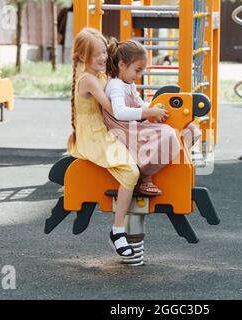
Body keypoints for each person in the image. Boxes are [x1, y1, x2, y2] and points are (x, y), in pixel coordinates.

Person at [67, 28, 139, 258]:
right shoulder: (88, 80)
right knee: (130, 172)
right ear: (81, 57)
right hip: (94, 136)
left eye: (104, 53)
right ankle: (117, 231)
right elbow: (112, 108)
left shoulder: (97, 74)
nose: (102, 58)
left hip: (104, 129)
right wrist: (143, 111)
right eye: (95, 54)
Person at [104, 38, 202, 195]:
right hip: (124, 130)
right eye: (137, 70)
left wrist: (153, 108)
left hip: (135, 125)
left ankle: (167, 165)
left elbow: (138, 102)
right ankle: (144, 176)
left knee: (190, 130)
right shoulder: (115, 85)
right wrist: (148, 112)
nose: (140, 74)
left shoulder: (128, 83)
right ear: (122, 65)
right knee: (168, 134)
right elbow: (119, 112)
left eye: (142, 70)